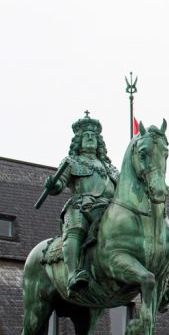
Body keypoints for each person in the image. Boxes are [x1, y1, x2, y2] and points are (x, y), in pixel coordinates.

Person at [43, 112, 119, 292]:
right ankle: (72, 275)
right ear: (79, 140)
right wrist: (53, 184)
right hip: (81, 205)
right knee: (76, 230)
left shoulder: (112, 169)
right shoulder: (71, 162)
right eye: (87, 136)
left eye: (94, 136)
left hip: (109, 209)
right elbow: (59, 185)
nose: (91, 138)